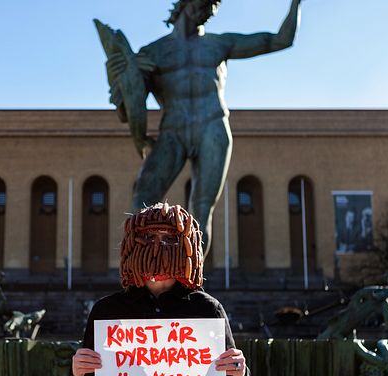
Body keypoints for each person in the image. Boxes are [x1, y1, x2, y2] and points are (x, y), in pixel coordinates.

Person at [99, 0, 302, 255]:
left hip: (212, 125)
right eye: (204, 6)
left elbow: (280, 40)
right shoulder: (153, 53)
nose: (208, 13)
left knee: (201, 209)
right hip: (173, 130)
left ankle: (189, 281)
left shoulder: (218, 44)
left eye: (211, 10)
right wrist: (118, 78)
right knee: (143, 197)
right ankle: (142, 273)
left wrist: (296, 3)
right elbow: (126, 112)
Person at [69, 203, 251, 376]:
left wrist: (240, 374)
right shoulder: (107, 312)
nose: (159, 248)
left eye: (170, 239)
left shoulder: (208, 310)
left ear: (185, 247)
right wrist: (78, 373)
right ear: (134, 247)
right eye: (149, 238)